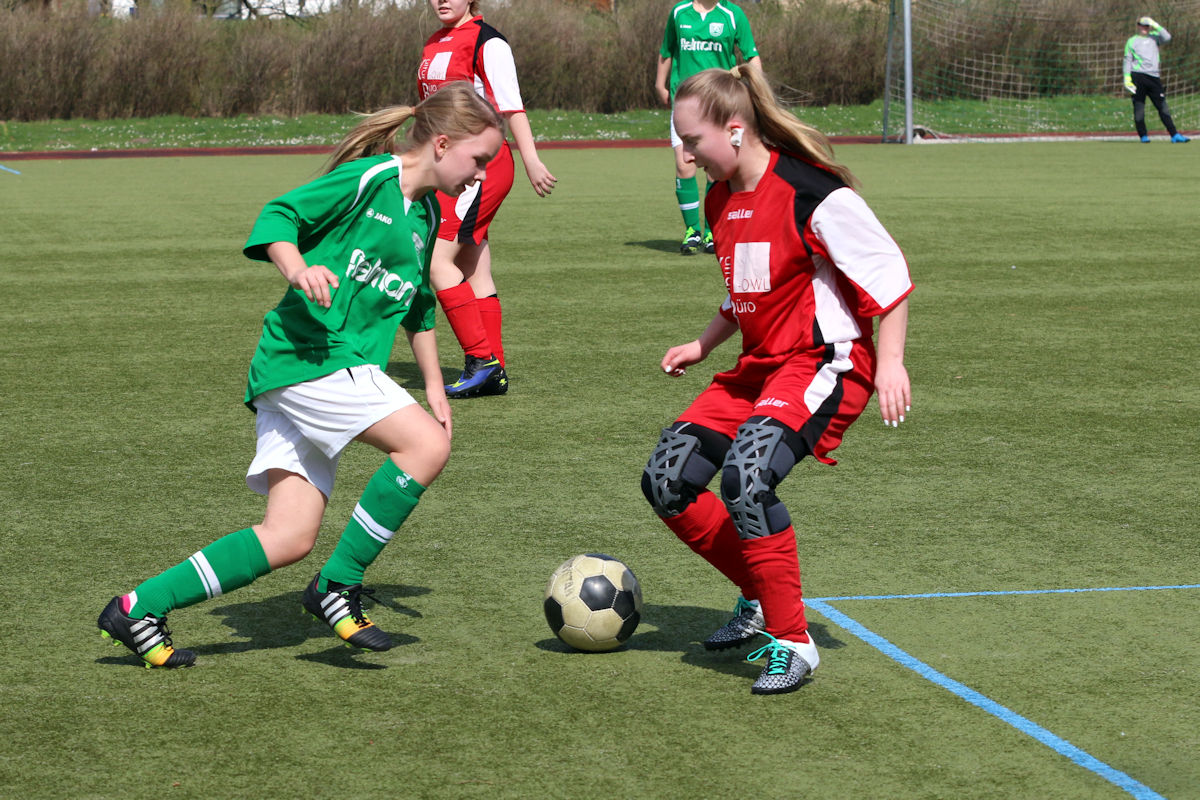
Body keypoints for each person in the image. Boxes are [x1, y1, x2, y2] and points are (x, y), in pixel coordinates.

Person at [97, 82, 505, 668]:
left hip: (303, 370)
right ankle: (338, 585)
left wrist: (437, 390)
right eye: (479, 160)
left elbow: (417, 305)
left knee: (289, 536)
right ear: (442, 144)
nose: (481, 175)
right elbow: (278, 215)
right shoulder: (370, 180)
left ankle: (137, 607)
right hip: (312, 356)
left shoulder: (427, 211)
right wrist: (297, 269)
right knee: (425, 447)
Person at [640, 66, 913, 695]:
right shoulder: (721, 197)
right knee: (667, 479)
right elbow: (749, 292)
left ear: (734, 132)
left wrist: (893, 360)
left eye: (692, 141)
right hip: (760, 367)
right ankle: (760, 599)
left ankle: (795, 643)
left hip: (826, 362)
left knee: (746, 475)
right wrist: (702, 343)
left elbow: (889, 275)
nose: (684, 154)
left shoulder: (813, 193)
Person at [418, 0, 557, 398]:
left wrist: (530, 159)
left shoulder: (488, 41)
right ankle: (492, 366)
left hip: (481, 166)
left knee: (435, 261)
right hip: (449, 167)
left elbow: (511, 107)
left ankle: (481, 361)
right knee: (471, 263)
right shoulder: (434, 43)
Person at [656, 0, 760, 255]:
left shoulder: (732, 14)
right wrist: (660, 84)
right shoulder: (679, 13)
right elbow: (667, 51)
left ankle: (713, 231)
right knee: (684, 164)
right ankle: (692, 231)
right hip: (684, 102)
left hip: (717, 104)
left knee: (715, 171)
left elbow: (751, 56)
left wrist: (758, 87)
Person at [1123, 16, 1190, 143]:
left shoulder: (1155, 37)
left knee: (1163, 107)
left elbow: (1167, 37)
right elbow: (1127, 60)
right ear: (1138, 26)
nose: (1145, 28)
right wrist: (1127, 78)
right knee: (1139, 109)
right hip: (1137, 77)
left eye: (1147, 25)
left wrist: (1154, 23)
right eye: (1142, 25)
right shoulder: (1132, 41)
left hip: (1154, 78)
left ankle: (1174, 135)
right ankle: (1143, 136)